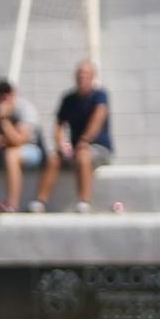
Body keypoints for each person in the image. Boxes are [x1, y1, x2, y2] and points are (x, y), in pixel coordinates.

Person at [33, 60, 113, 214]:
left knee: (83, 156)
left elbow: (98, 118)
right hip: (75, 147)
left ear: (93, 77)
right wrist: (60, 144)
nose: (82, 77)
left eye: (86, 74)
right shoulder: (68, 99)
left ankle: (84, 201)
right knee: (53, 158)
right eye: (79, 74)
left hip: (97, 147)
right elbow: (58, 125)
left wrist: (84, 141)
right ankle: (40, 201)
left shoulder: (100, 96)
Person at [0, 79, 44, 214]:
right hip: (3, 149)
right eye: (1, 94)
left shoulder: (25, 108)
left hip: (32, 150)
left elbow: (19, 140)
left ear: (14, 93)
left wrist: (4, 121)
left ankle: (12, 204)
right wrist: (7, 139)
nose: (4, 97)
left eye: (7, 93)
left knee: (11, 154)